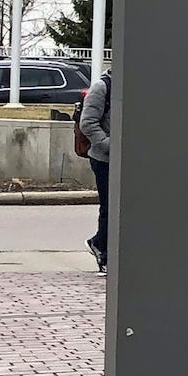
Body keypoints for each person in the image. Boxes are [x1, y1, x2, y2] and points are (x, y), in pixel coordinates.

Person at [78, 71, 113, 271]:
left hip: (128, 159)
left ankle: (102, 245)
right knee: (109, 207)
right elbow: (88, 122)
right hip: (104, 159)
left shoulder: (134, 87)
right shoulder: (102, 87)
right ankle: (103, 251)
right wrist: (108, 144)